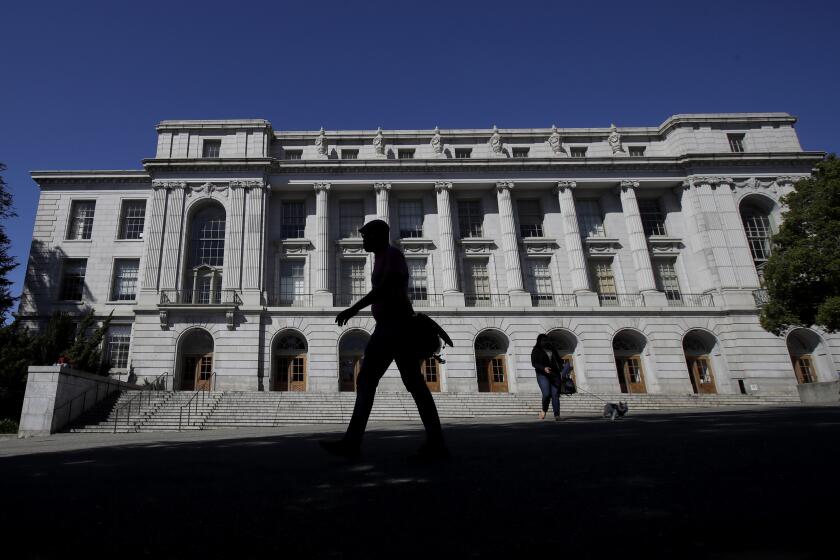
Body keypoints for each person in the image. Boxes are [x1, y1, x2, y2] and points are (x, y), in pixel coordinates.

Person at [320, 219, 448, 461]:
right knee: (412, 383)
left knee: (371, 379)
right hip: (390, 325)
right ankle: (436, 442)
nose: (363, 240)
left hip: (395, 325)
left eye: (366, 236)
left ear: (379, 236)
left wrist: (353, 309)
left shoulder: (391, 254)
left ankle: (352, 442)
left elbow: (387, 287)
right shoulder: (382, 257)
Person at [530, 334, 566, 421]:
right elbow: (534, 363)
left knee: (555, 395)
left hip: (555, 374)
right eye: (543, 340)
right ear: (539, 341)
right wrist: (543, 368)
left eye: (546, 340)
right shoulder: (536, 350)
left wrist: (562, 370)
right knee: (546, 394)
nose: (545, 342)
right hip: (542, 374)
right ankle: (543, 410)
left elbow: (559, 361)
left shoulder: (552, 349)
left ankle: (557, 415)